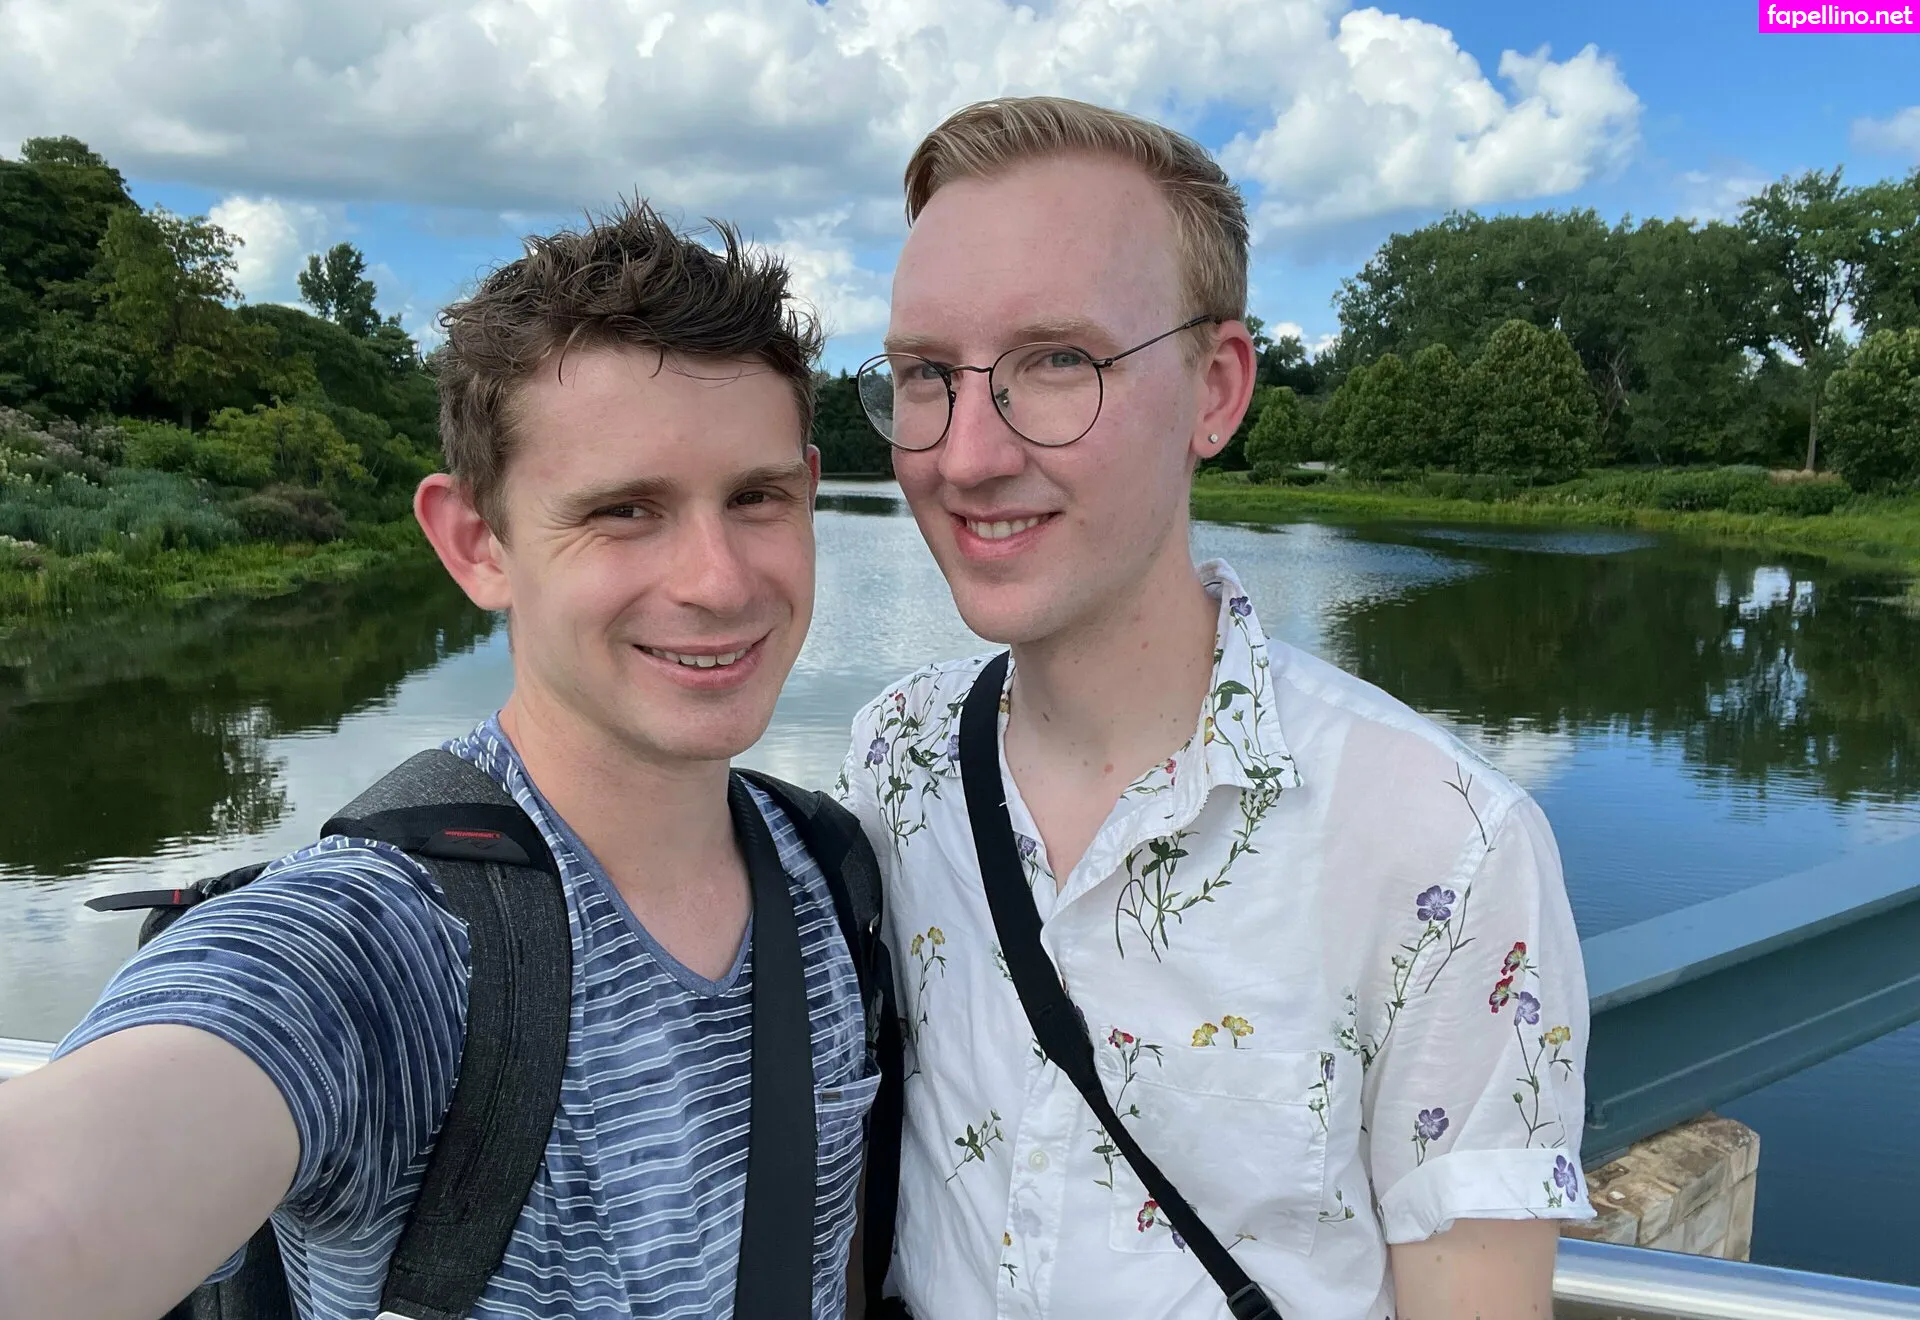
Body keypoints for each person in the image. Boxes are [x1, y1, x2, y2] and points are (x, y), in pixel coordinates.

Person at [0, 203, 883, 1320]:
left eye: (756, 498)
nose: (719, 580)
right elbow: (61, 1196)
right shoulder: (387, 939)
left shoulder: (834, 872)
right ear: (476, 542)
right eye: (623, 510)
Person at [836, 97, 1592, 1320]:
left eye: (1057, 361)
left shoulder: (1443, 847)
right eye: (930, 374)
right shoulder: (895, 760)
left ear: (1217, 391)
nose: (966, 455)